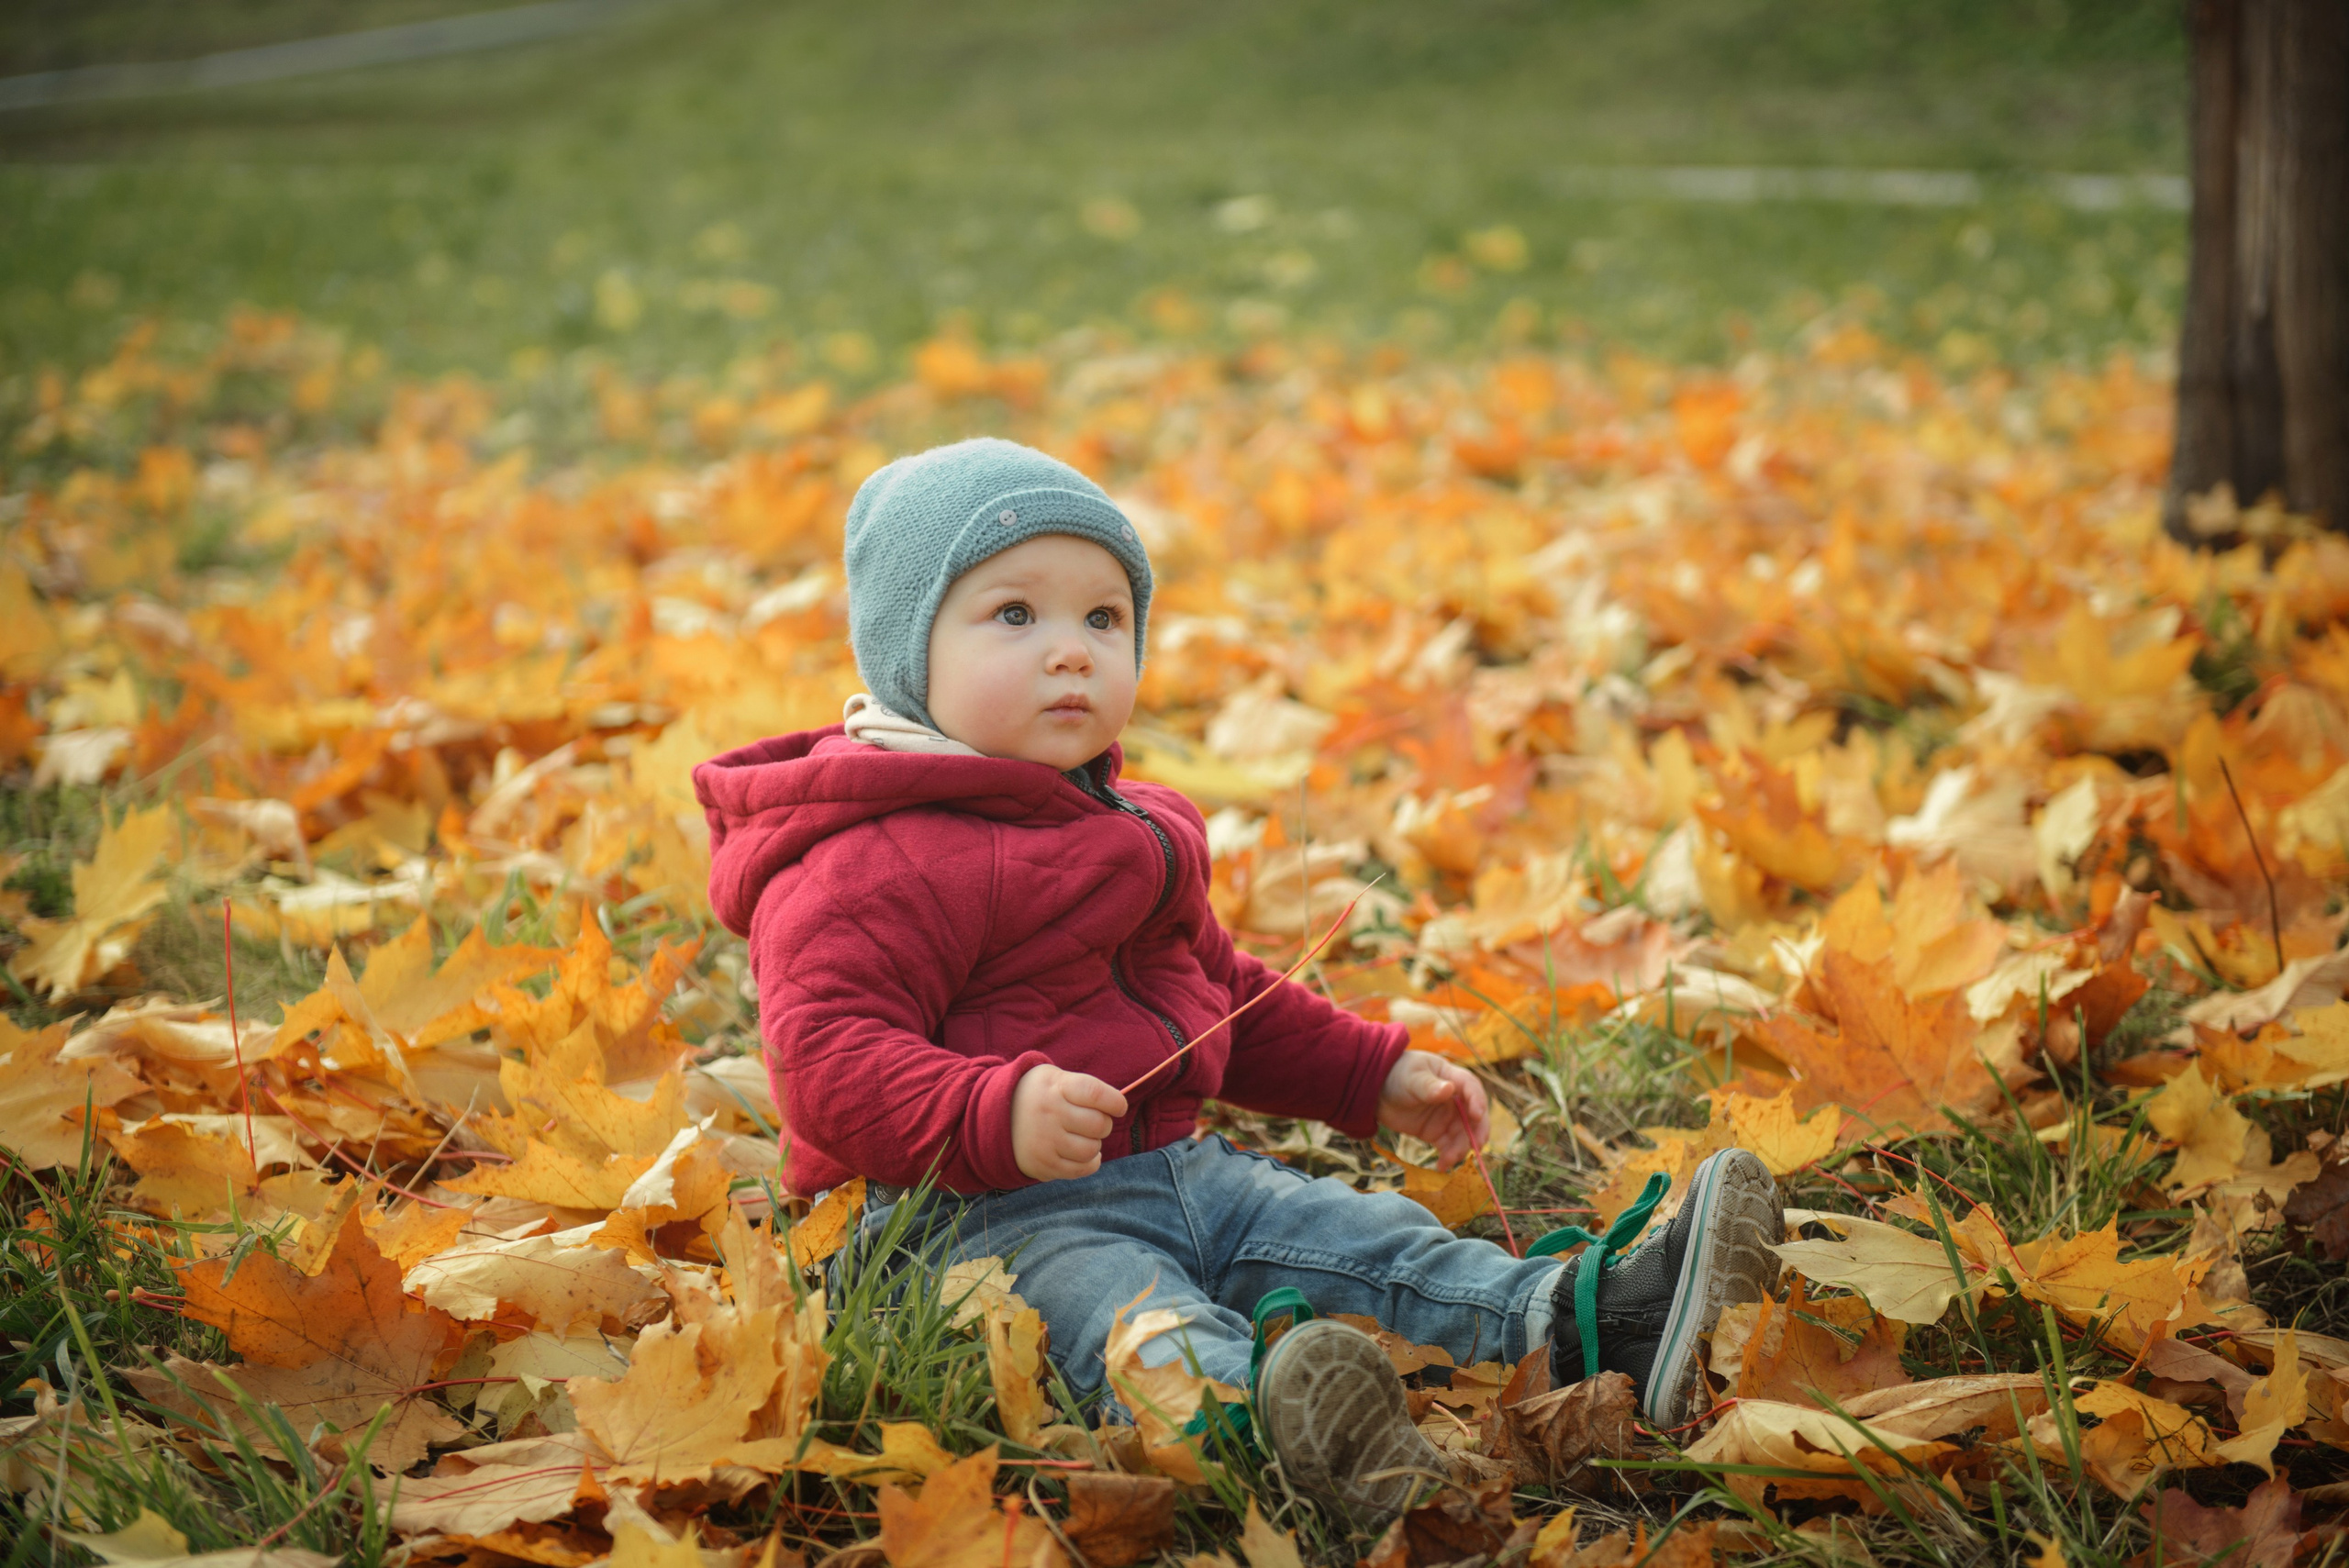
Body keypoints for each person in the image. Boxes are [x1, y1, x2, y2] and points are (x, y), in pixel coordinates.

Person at [693, 438, 1783, 1528]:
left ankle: (1587, 1319)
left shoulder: (1126, 822)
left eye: (1103, 619)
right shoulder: (863, 858)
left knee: (1361, 1237)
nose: (1070, 652)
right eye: (1014, 615)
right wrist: (993, 1109)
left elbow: (1217, 988)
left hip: (1178, 1170)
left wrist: (1370, 1073)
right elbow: (825, 1060)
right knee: (1131, 1325)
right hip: (967, 1225)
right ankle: (1283, 1440)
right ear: (905, 650)